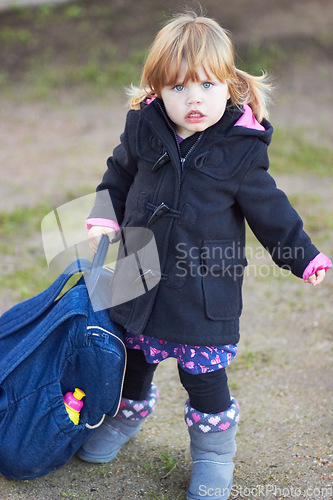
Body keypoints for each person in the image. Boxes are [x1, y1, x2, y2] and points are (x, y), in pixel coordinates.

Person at [77, 11, 332, 500]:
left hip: (201, 291)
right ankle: (124, 418)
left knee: (204, 379)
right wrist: (102, 218)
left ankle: (214, 455)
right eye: (178, 88)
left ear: (230, 85)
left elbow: (271, 211)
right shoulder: (143, 131)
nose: (193, 99)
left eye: (207, 86)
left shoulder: (241, 150)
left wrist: (303, 256)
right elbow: (117, 176)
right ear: (156, 90)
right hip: (138, 277)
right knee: (133, 362)